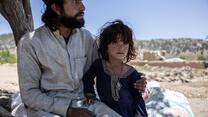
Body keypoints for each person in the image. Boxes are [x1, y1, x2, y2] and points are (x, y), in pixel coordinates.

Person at [17, 0, 147, 116]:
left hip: (86, 102)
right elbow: (29, 94)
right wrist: (68, 110)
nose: (83, 7)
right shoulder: (31, 43)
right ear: (57, 8)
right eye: (75, 1)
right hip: (48, 108)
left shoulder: (86, 38)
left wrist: (136, 79)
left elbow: (108, 66)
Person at [82, 20, 148, 117]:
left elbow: (138, 99)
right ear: (106, 46)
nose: (121, 48)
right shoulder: (99, 65)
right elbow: (87, 77)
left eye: (125, 43)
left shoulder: (131, 72)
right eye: (115, 43)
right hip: (105, 111)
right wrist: (90, 94)